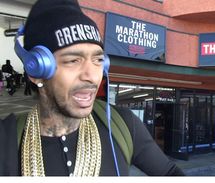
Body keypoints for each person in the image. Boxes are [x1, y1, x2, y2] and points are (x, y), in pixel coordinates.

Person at [0, 0, 184, 176]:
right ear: (36, 70)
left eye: (98, 60)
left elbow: (170, 173)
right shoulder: (5, 140)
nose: (92, 76)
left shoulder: (123, 125)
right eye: (73, 60)